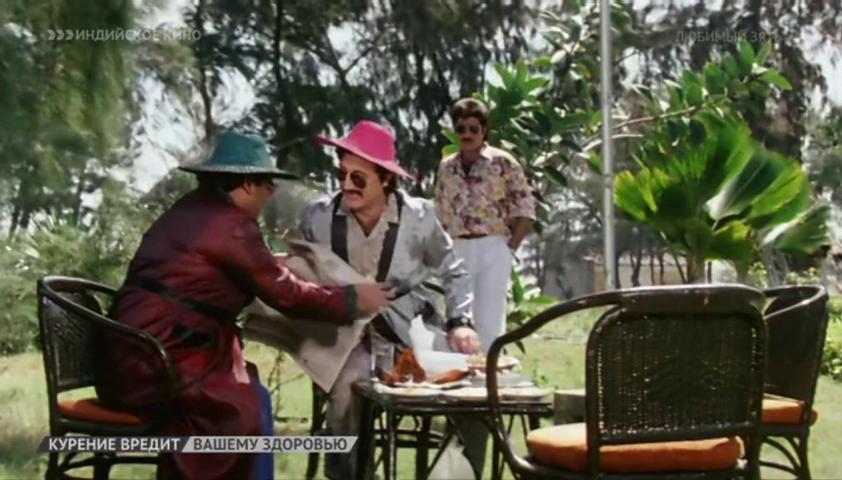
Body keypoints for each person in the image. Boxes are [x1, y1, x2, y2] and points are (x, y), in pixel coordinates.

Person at [95, 131, 391, 480]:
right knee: (241, 408)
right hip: (154, 363)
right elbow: (288, 296)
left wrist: (269, 263)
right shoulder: (230, 225)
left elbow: (228, 268)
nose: (272, 191)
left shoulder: (195, 209)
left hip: (134, 354)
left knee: (254, 395)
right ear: (248, 184)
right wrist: (356, 298)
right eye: (267, 183)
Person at [300, 120, 487, 479]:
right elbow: (302, 278)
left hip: (408, 329)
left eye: (358, 178)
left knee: (476, 392)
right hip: (343, 334)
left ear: (386, 178)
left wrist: (460, 322)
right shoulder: (318, 217)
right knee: (349, 388)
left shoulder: (419, 217)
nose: (346, 185)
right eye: (342, 175)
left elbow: (455, 272)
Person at [435, 98, 537, 351]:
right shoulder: (447, 167)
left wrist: (509, 249)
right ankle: (462, 372)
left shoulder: (503, 163)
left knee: (490, 320)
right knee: (459, 318)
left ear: (484, 130)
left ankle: (491, 371)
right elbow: (440, 212)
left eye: (473, 128)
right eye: (461, 129)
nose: (467, 135)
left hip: (493, 246)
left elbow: (525, 208)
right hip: (457, 247)